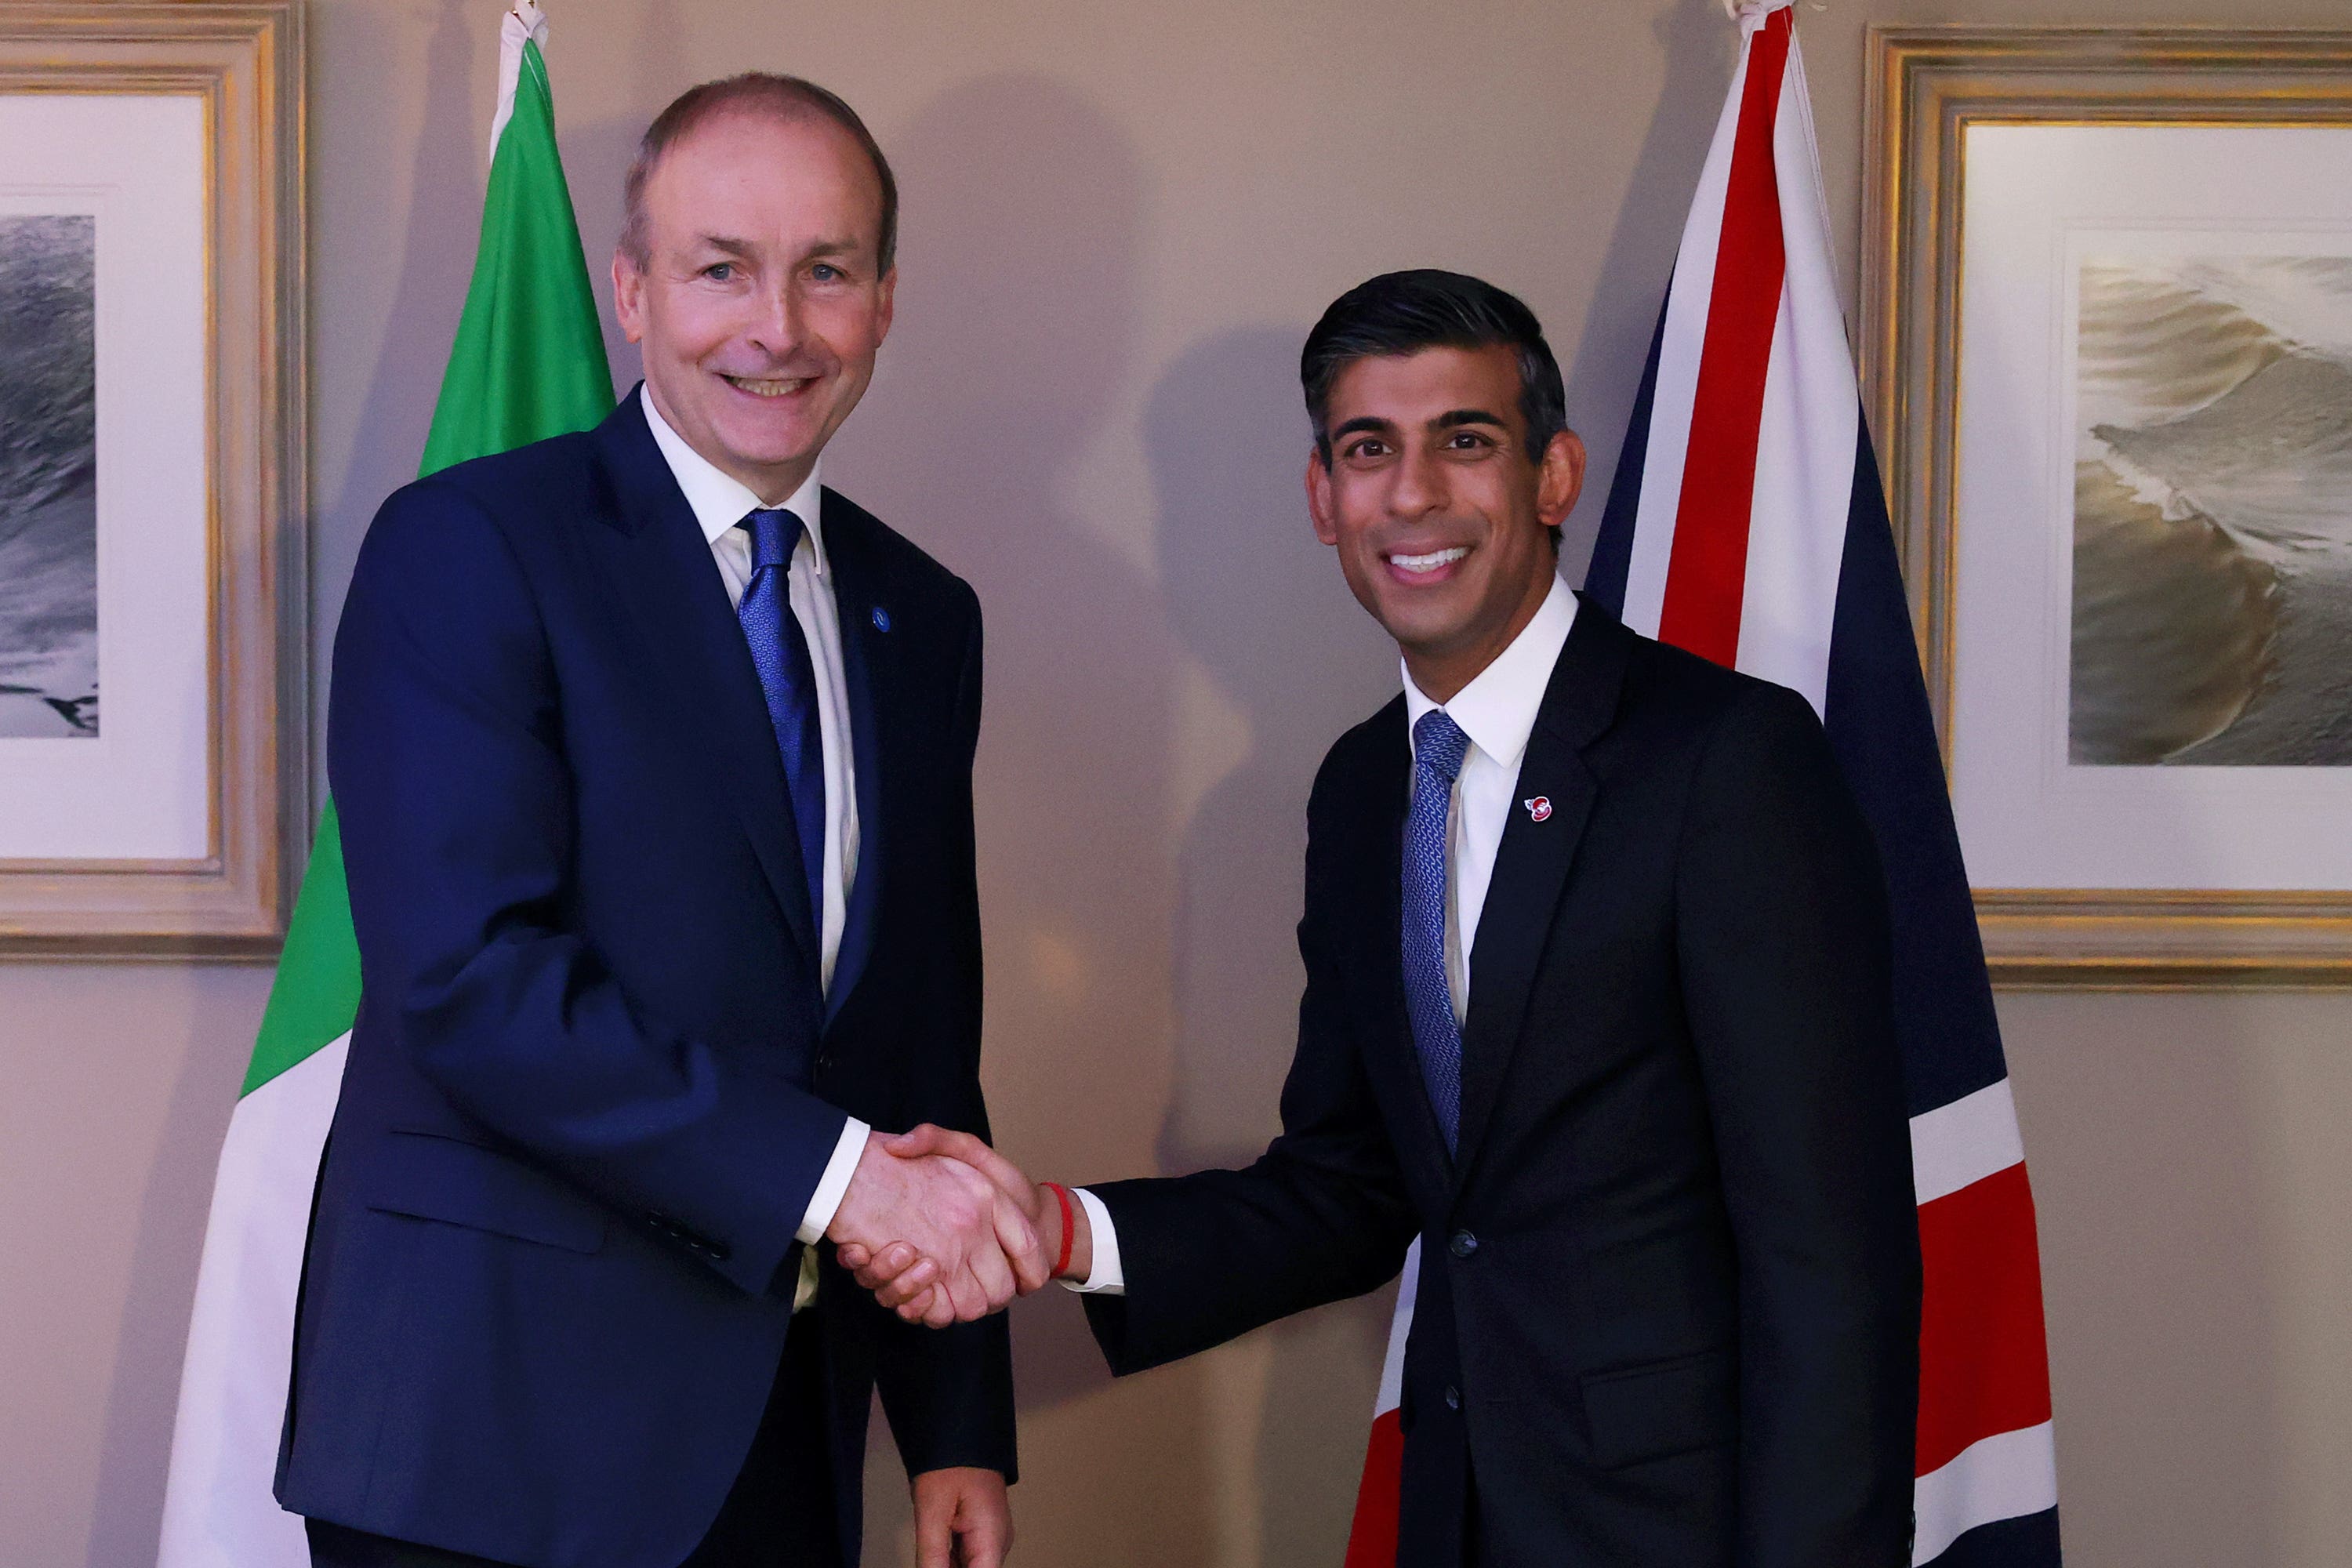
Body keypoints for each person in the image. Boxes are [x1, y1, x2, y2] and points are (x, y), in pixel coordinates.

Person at [849, 271, 1922, 1566]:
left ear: (1554, 475)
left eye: (1464, 441)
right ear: (1324, 500)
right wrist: (1066, 1230)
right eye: (1370, 451)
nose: (1412, 495)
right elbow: (1355, 1184)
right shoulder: (1365, 791)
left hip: (1689, 1530)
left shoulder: (1727, 761)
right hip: (1460, 1515)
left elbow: (1833, 1263)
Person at [280, 75, 1045, 1568]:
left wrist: (952, 1424)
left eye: (826, 270)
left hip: (778, 1420)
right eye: (721, 269)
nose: (778, 327)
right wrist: (843, 1183)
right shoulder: (470, 546)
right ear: (631, 292)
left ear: (885, 302)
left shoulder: (922, 615)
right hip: (491, 1432)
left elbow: (913, 1042)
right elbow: (469, 980)